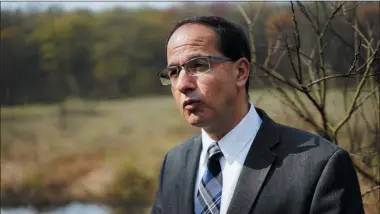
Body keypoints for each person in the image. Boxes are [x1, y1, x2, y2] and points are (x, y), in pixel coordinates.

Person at [151, 16, 364, 214]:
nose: (182, 84)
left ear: (241, 72)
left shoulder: (320, 166)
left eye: (197, 65)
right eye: (173, 72)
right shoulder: (174, 163)